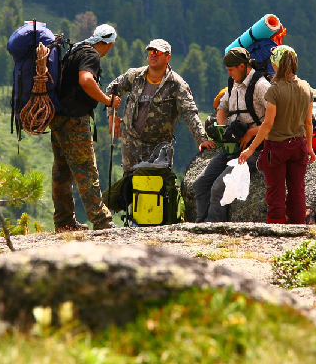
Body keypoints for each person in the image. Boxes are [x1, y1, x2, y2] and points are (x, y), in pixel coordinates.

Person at [50, 24, 122, 232]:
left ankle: (63, 221)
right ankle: (102, 221)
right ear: (110, 44)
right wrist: (107, 101)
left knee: (62, 171)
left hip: (58, 118)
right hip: (74, 119)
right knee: (86, 169)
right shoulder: (91, 55)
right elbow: (86, 80)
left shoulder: (76, 50)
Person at [105, 39, 215, 173]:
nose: (153, 54)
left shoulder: (177, 84)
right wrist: (112, 114)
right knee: (129, 187)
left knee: (156, 189)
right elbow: (113, 89)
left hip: (158, 150)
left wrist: (201, 139)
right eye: (151, 51)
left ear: (168, 57)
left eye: (158, 52)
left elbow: (189, 113)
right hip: (130, 146)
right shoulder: (134, 76)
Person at [238, 45, 316, 224]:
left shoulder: (274, 90)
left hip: (277, 148)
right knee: (297, 191)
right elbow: (308, 122)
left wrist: (250, 149)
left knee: (276, 193)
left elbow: (268, 124)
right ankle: (298, 233)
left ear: (276, 65)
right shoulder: (306, 87)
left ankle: (277, 233)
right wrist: (310, 147)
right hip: (300, 146)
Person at [193, 47, 270, 222]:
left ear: (242, 66)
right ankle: (200, 224)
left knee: (219, 187)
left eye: (231, 69)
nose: (228, 73)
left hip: (255, 148)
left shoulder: (261, 86)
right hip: (233, 147)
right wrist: (223, 129)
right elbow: (222, 108)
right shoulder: (233, 84)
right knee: (200, 184)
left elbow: (276, 120)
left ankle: (214, 229)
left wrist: (251, 132)